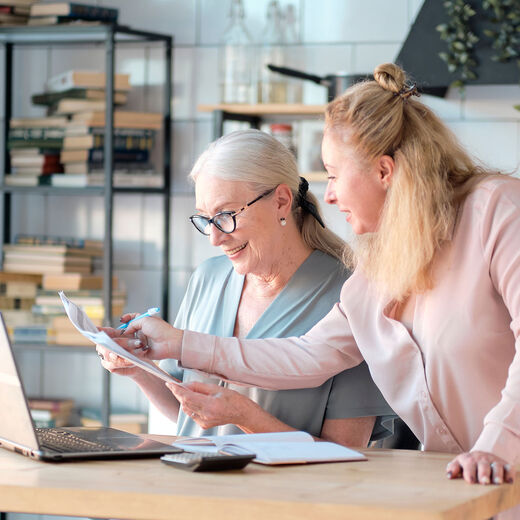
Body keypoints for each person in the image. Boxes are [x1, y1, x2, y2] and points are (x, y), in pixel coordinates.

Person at [111, 62, 520, 508]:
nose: (326, 195)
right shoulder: (376, 274)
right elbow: (305, 355)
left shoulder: (498, 210)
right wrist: (178, 344)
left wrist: (498, 443)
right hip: (456, 493)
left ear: (384, 172)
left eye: (334, 174)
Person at [98, 129, 394, 446]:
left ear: (281, 201)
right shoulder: (207, 279)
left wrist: (246, 417)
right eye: (205, 219)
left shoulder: (350, 293)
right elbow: (192, 418)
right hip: (195, 486)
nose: (214, 238)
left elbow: (345, 453)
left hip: (289, 494)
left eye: (226, 215)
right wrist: (140, 369)